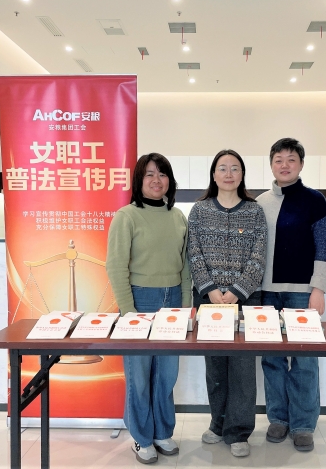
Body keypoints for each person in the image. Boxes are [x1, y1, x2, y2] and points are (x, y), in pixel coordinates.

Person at [106, 153, 192, 464]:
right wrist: (129, 313)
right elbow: (116, 267)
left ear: (170, 180)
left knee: (167, 374)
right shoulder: (126, 216)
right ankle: (142, 438)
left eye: (162, 174)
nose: (157, 180)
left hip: (173, 300)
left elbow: (186, 267)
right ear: (139, 181)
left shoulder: (178, 217)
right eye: (149, 174)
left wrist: (186, 307)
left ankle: (162, 432)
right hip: (139, 300)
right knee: (139, 376)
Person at [256, 138, 326, 452]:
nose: (284, 165)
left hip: (302, 294)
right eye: (278, 159)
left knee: (304, 360)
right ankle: (278, 419)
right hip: (266, 294)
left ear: (301, 164)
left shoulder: (315, 200)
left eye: (291, 159)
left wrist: (318, 289)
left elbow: (325, 247)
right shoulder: (260, 203)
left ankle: (303, 425)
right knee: (272, 359)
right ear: (271, 165)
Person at [187, 149, 267, 458]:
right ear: (214, 174)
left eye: (235, 168)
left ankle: (239, 431)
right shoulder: (199, 210)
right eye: (223, 168)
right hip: (209, 301)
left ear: (242, 174)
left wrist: (237, 291)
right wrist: (210, 290)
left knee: (243, 370)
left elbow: (259, 256)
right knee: (216, 367)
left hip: (246, 300)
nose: (229, 173)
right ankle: (218, 424)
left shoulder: (255, 211)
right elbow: (193, 253)